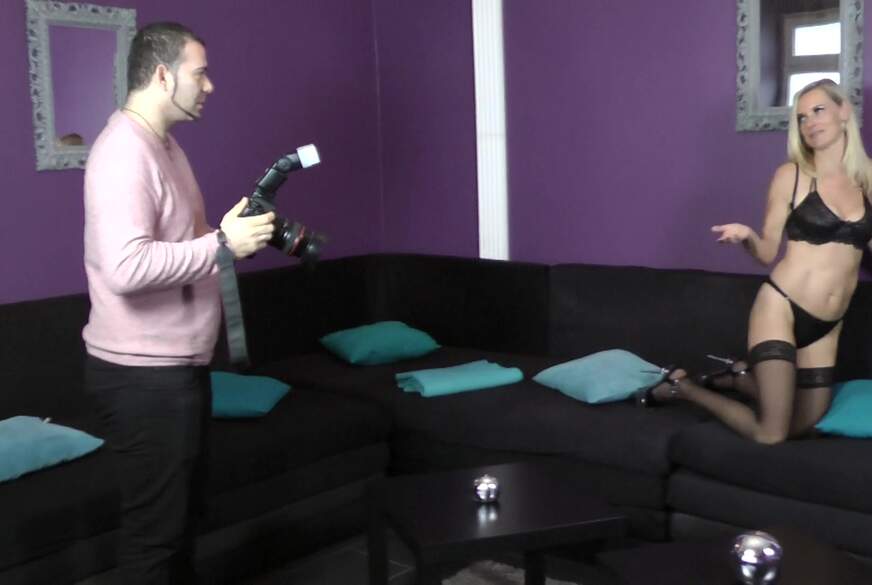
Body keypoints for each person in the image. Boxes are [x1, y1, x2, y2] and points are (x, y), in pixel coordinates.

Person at [82, 22, 275, 584]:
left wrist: (229, 235)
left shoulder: (164, 146)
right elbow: (125, 267)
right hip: (142, 378)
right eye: (201, 73)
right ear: (163, 75)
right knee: (155, 538)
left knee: (181, 525)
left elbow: (180, 244)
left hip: (176, 369)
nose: (209, 86)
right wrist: (221, 245)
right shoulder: (124, 153)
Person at [639, 79, 872, 445]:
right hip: (782, 306)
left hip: (828, 326)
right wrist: (747, 235)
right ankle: (683, 388)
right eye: (801, 117)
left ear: (844, 111)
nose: (809, 122)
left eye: (818, 110)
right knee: (771, 434)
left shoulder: (868, 179)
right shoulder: (791, 175)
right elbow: (766, 253)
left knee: (802, 427)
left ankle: (738, 377)